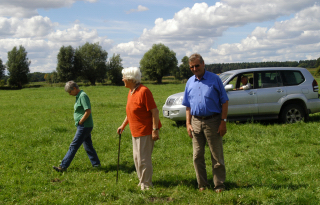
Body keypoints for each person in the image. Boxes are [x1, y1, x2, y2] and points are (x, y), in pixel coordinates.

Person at [182, 53, 229, 193]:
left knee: (216, 155)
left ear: (203, 64)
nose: (195, 68)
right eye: (192, 67)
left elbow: (225, 101)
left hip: (213, 121)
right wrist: (188, 123)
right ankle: (202, 184)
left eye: (197, 65)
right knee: (197, 156)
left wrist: (223, 122)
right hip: (195, 121)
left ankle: (219, 185)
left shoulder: (215, 79)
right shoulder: (190, 82)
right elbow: (188, 105)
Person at [117, 67, 161, 190]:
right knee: (137, 158)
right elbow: (131, 112)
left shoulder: (144, 91)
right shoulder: (131, 91)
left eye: (124, 77)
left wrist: (155, 130)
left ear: (131, 79)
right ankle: (141, 181)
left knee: (143, 158)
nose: (122, 79)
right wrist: (123, 125)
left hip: (145, 130)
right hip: (135, 130)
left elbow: (155, 112)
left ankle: (146, 184)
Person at [53, 81, 101, 172]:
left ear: (74, 88)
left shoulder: (82, 96)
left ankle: (63, 166)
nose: (69, 94)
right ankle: (96, 164)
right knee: (88, 146)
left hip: (84, 126)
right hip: (85, 126)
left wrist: (81, 122)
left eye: (70, 92)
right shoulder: (79, 96)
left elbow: (88, 111)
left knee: (73, 146)